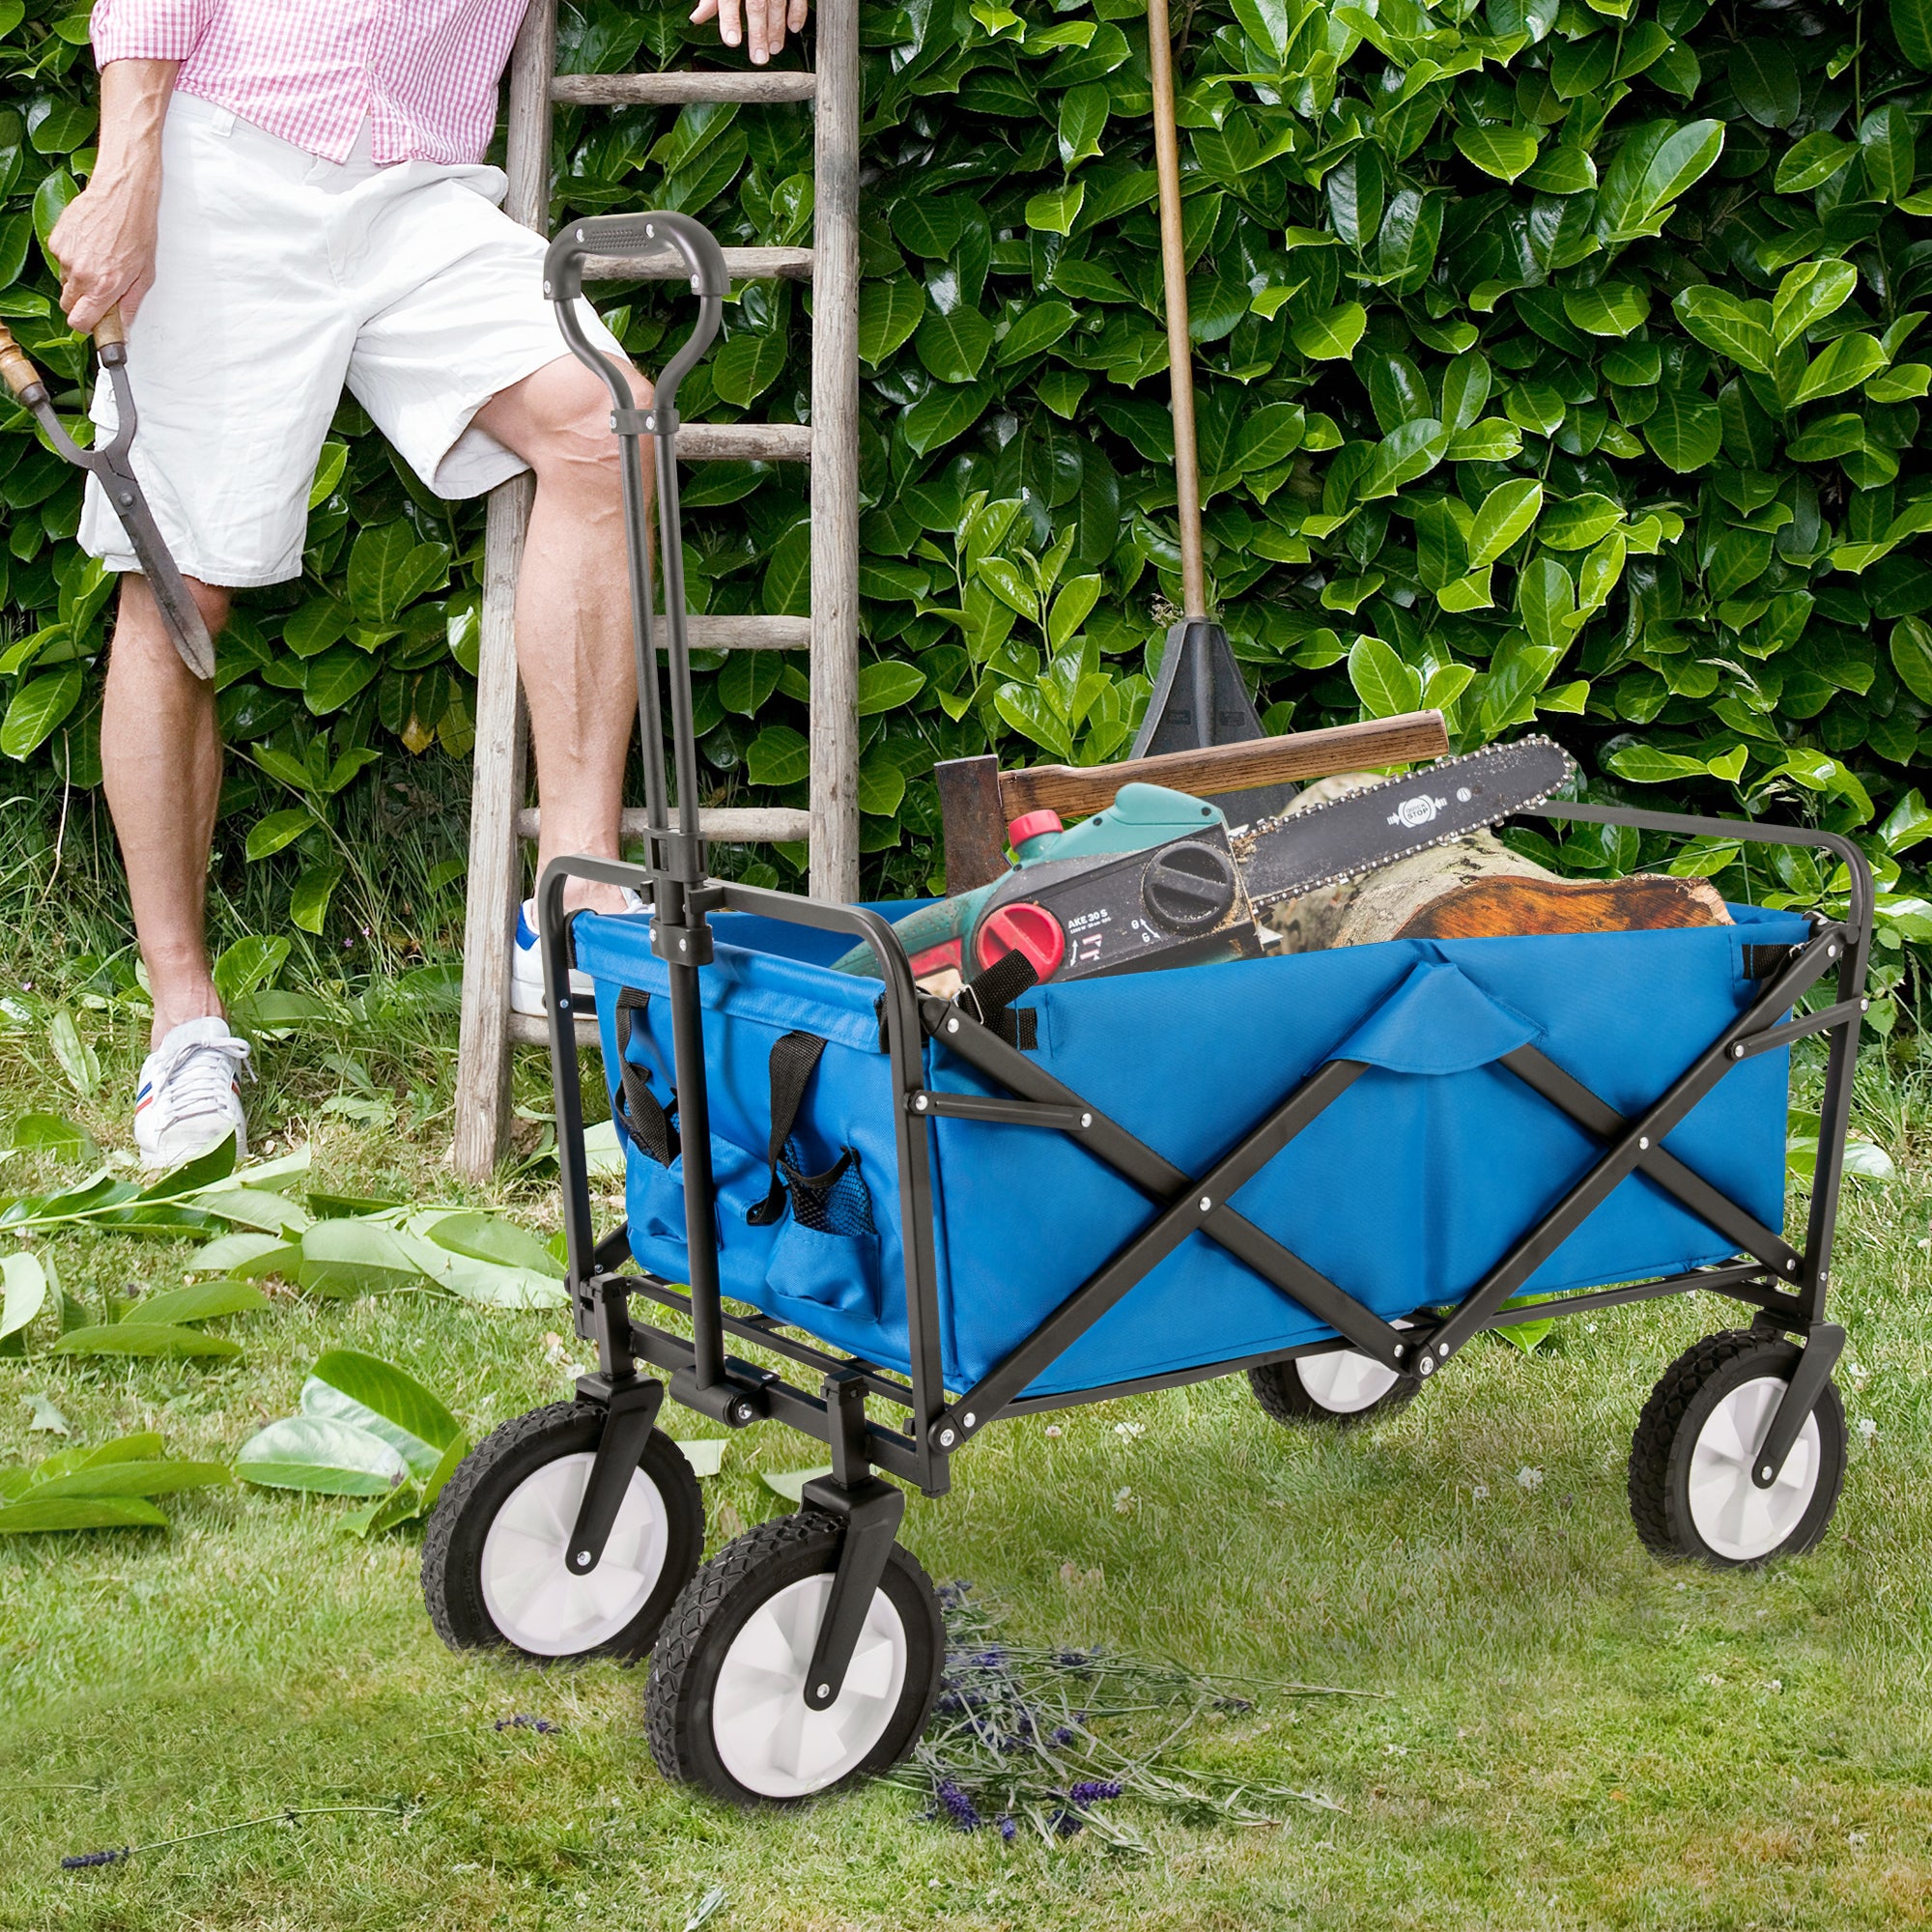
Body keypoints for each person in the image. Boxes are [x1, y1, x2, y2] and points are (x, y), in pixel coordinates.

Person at [54, 0, 808, 1170]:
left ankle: (567, 903)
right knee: (177, 589)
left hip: (418, 190)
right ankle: (183, 1018)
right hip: (230, 153)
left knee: (611, 424)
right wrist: (126, 164)